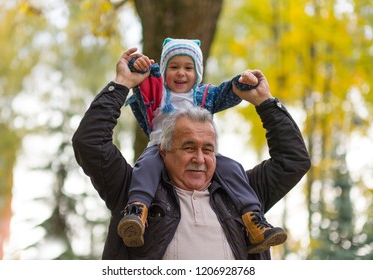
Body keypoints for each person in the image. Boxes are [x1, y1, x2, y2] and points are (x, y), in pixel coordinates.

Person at [72, 47, 311, 259]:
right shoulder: (131, 189)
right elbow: (90, 143)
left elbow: (293, 160)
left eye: (208, 149)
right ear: (163, 151)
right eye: (188, 147)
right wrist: (122, 84)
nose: (199, 158)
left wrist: (265, 103)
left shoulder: (241, 192)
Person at [118, 38, 286, 253]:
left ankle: (254, 221)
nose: (181, 73)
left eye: (188, 68)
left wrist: (243, 82)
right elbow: (138, 78)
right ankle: (137, 211)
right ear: (163, 69)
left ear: (198, 72)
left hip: (200, 148)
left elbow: (228, 92)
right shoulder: (156, 91)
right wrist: (137, 65)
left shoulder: (204, 94)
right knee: (145, 169)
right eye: (174, 67)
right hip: (160, 146)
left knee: (232, 168)